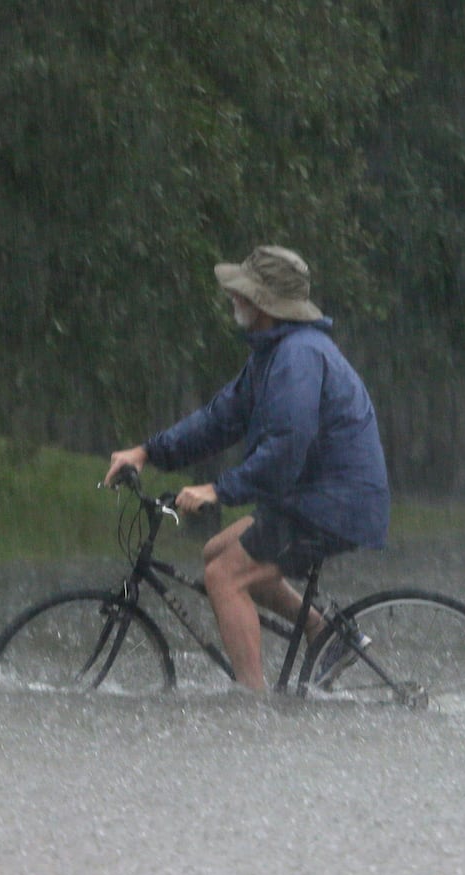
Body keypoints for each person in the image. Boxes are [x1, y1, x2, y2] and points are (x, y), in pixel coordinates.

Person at [103, 245, 390, 693]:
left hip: (332, 504)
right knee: (216, 552)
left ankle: (252, 707)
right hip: (313, 498)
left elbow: (286, 448)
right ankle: (325, 634)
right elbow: (219, 421)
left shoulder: (298, 357)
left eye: (241, 293)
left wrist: (220, 490)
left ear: (264, 304)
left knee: (226, 576)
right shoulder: (272, 354)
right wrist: (147, 452)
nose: (233, 299)